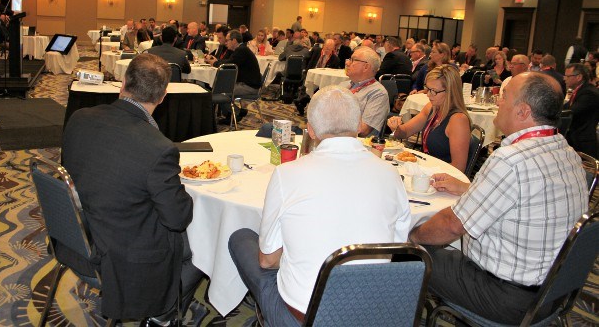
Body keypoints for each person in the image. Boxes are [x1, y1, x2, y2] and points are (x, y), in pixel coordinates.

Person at [409, 71, 588, 325]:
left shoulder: (512, 159)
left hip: (507, 297)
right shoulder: (568, 152)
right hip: (554, 291)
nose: (498, 102)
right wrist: (467, 190)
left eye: (504, 97)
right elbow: (525, 198)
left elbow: (452, 225)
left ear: (523, 111)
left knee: (412, 252)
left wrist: (411, 236)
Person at [228, 85, 410, 326]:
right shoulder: (391, 174)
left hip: (304, 317)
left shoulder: (287, 174)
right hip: (372, 312)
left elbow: (268, 261)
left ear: (310, 131)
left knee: (240, 238)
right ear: (358, 125)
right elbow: (396, 248)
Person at [62, 54, 204, 324]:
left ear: (123, 82)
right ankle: (163, 316)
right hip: (120, 255)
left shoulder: (79, 118)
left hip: (74, 235)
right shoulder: (159, 148)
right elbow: (178, 218)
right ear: (163, 96)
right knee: (204, 242)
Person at [388, 64, 471, 172]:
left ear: (450, 92)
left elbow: (458, 168)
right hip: (428, 168)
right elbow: (405, 132)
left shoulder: (458, 120)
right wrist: (396, 127)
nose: (428, 95)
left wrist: (428, 172)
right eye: (428, 89)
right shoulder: (432, 108)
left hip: (442, 175)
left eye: (434, 91)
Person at [205, 30, 262, 123]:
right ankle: (235, 113)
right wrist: (217, 61)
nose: (226, 42)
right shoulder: (240, 49)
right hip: (247, 83)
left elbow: (230, 64)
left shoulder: (241, 50)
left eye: (228, 40)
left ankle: (235, 113)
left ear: (234, 40)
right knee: (221, 89)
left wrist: (215, 63)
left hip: (250, 86)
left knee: (221, 91)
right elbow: (229, 61)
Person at [342, 46, 390, 137]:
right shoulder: (343, 85)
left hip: (356, 144)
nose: (347, 63)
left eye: (353, 60)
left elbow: (363, 130)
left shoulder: (378, 93)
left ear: (366, 67)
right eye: (349, 59)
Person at [564, 63, 599, 157]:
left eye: (568, 76)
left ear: (579, 77)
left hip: (582, 143)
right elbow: (565, 107)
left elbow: (571, 112)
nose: (564, 79)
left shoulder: (589, 93)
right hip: (574, 140)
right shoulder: (579, 90)